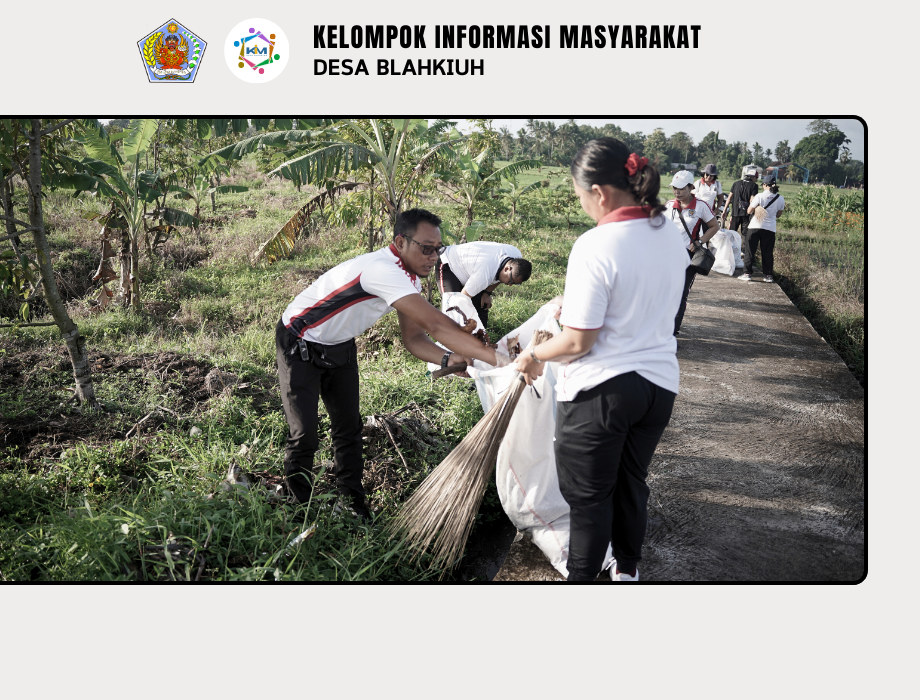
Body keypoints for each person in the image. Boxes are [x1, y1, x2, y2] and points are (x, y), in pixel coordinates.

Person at [513, 138, 687, 582]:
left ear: (600, 193)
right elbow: (638, 296)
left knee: (589, 501)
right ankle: (627, 571)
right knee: (631, 483)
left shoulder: (595, 244)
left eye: (580, 196)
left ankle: (583, 582)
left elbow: (577, 343)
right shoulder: (668, 232)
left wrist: (533, 354)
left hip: (602, 394)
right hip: (658, 387)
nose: (583, 207)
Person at [276, 209, 505, 519]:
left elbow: (414, 338)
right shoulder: (381, 269)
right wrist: (499, 361)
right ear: (400, 241)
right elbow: (437, 326)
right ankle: (297, 510)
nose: (433, 257)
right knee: (304, 434)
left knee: (348, 428)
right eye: (426, 248)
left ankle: (354, 504)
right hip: (300, 340)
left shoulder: (407, 275)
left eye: (438, 249)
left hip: (339, 343)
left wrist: (449, 358)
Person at [666, 170, 720, 336]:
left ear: (691, 187)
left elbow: (714, 226)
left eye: (681, 188)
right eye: (675, 188)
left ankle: (672, 333)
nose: (677, 192)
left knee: (681, 294)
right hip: (668, 256)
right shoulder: (669, 205)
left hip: (688, 257)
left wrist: (700, 241)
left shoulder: (700, 206)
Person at [436, 242, 532, 328]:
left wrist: (487, 293)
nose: (510, 285)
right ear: (507, 269)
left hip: (471, 268)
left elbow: (500, 276)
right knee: (453, 308)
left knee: (481, 308)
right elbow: (461, 299)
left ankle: (480, 341)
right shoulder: (484, 275)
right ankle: (449, 342)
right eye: (511, 281)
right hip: (449, 263)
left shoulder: (516, 257)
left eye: (515, 284)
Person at [740, 170, 786, 283]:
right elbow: (778, 215)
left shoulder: (759, 196)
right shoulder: (780, 198)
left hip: (755, 226)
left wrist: (757, 208)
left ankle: (747, 274)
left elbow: (749, 211)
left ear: (765, 185)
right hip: (770, 229)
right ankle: (768, 276)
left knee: (750, 250)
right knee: (767, 252)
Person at [721, 165, 760, 240]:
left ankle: (729, 250)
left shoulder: (736, 183)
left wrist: (724, 211)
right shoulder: (754, 186)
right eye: (756, 178)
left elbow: (729, 198)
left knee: (731, 234)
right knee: (745, 235)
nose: (756, 180)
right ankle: (744, 250)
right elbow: (752, 200)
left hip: (735, 213)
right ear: (753, 177)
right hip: (746, 215)